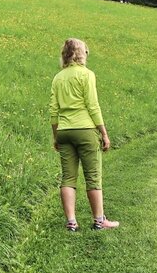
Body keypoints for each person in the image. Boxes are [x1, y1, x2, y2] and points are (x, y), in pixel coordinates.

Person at [49, 38, 119, 232]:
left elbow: (53, 110)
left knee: (68, 178)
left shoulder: (58, 77)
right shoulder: (87, 75)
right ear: (81, 54)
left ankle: (71, 222)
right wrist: (104, 133)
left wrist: (55, 136)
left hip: (64, 132)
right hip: (86, 130)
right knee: (93, 177)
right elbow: (93, 106)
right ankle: (99, 221)